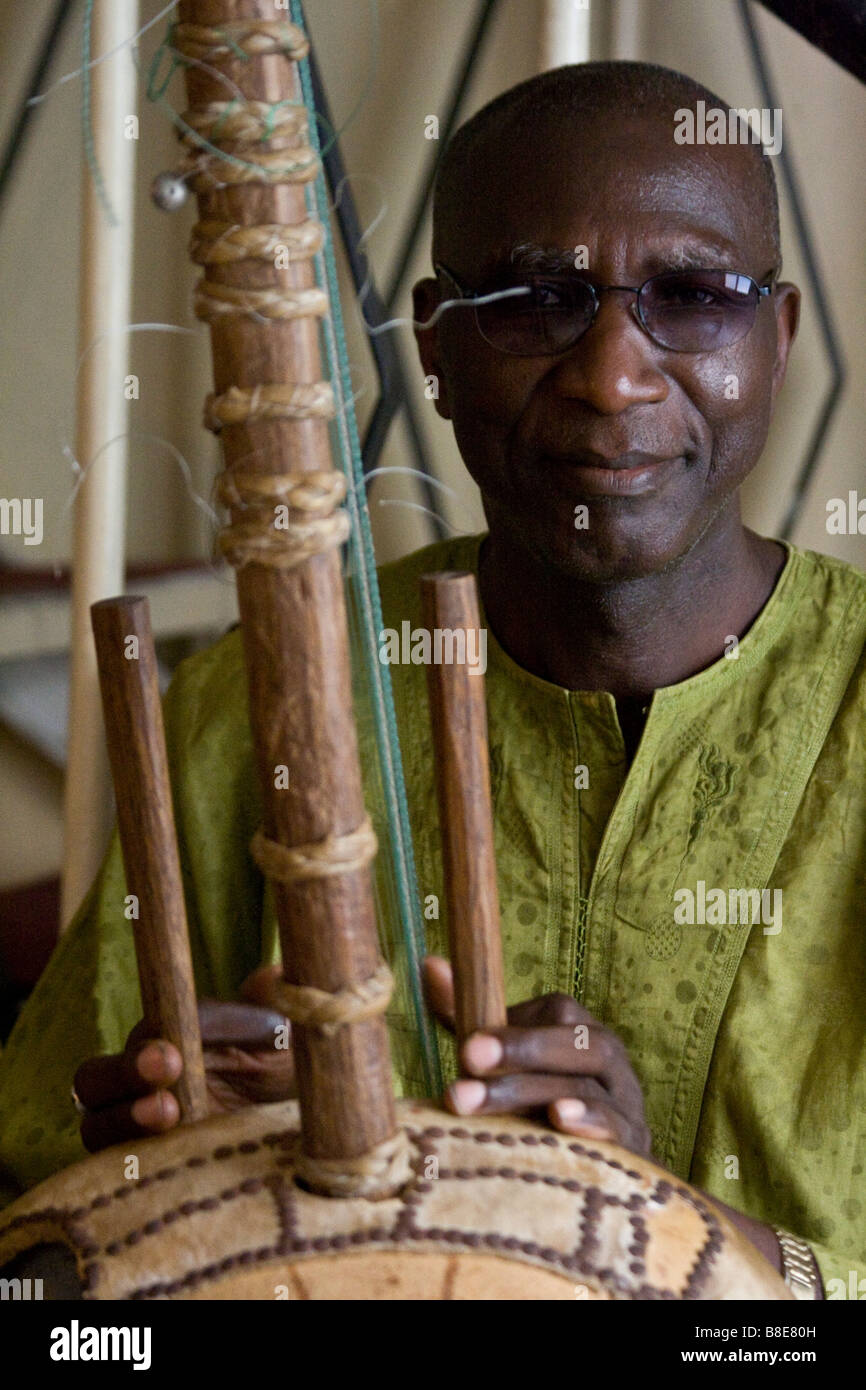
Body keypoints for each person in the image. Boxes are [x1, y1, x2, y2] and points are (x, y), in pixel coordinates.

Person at [1, 62, 863, 1300]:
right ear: (438, 346)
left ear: (774, 341)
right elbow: (37, 1283)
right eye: (538, 300)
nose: (612, 374)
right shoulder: (270, 704)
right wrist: (170, 1186)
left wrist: (644, 1221)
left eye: (690, 295)